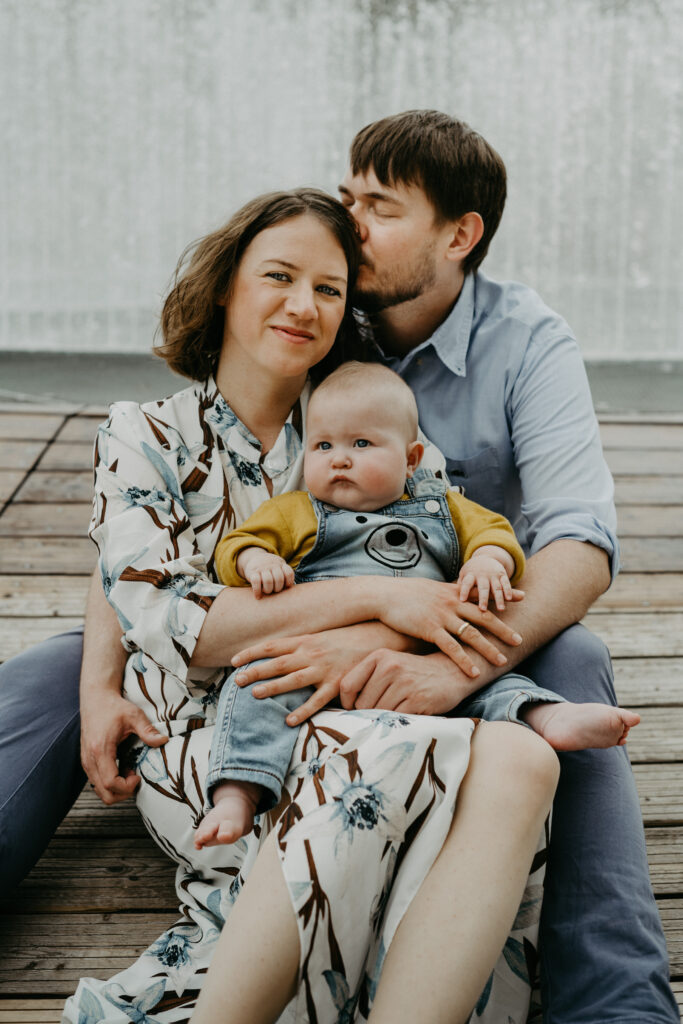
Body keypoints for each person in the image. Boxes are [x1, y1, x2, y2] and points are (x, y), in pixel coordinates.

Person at [0, 109, 676, 1023]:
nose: (341, 248)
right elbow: (132, 552)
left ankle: (612, 1000)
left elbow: (573, 542)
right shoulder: (306, 343)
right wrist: (101, 677)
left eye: (377, 210)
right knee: (54, 675)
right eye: (344, 202)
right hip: (261, 651)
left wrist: (433, 652)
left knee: (561, 677)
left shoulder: (416, 378)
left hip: (446, 634)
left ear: (458, 235)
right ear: (232, 288)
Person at [62, 188, 559, 1022]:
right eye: (279, 276)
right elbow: (192, 628)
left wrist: (406, 613)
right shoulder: (143, 434)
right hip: (219, 737)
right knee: (380, 754)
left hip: (368, 693)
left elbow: (444, 575)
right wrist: (383, 600)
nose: (303, 305)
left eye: (328, 289)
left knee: (523, 760)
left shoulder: (360, 424)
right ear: (226, 284)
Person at [196, 360, 638, 849]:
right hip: (322, 662)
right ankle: (237, 790)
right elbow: (234, 547)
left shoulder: (441, 506)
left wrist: (488, 562)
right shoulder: (297, 510)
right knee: (256, 687)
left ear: (411, 459)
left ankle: (547, 716)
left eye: (361, 444)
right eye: (324, 445)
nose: (339, 459)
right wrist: (257, 559)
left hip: (425, 661)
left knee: (493, 675)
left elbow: (493, 533)